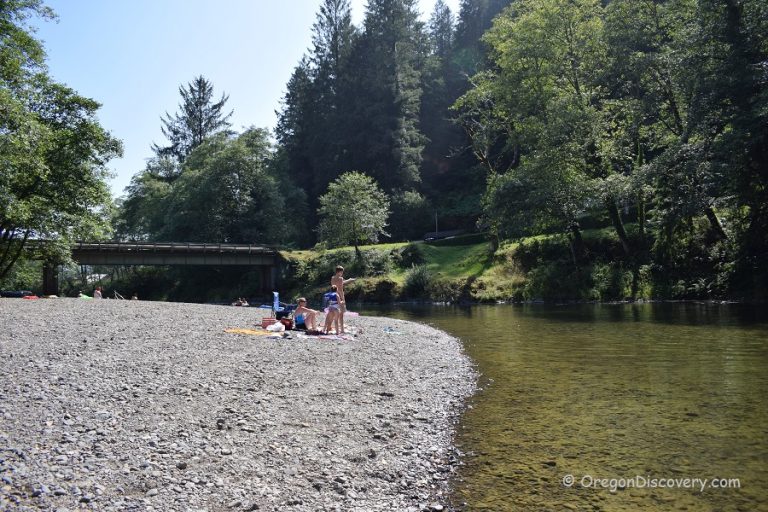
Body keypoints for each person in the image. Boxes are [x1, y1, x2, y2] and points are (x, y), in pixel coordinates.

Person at [330, 265, 355, 334]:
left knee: (334, 314)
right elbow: (340, 289)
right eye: (342, 272)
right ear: (339, 272)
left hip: (333, 296)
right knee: (341, 314)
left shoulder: (332, 278)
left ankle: (331, 327)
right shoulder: (341, 278)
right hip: (339, 297)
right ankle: (342, 329)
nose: (342, 273)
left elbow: (336, 285)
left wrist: (349, 280)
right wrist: (343, 299)